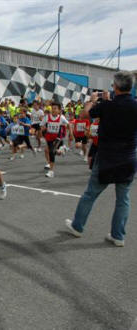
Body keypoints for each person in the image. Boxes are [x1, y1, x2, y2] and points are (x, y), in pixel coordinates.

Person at [65, 71, 137, 247]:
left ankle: (77, 226)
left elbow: (84, 114)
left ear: (116, 86)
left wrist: (93, 99)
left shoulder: (107, 106)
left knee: (90, 194)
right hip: (128, 158)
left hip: (106, 158)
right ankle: (118, 235)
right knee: (123, 198)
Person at [41, 102, 69, 178]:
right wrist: (42, 129)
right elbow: (42, 125)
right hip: (49, 137)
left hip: (57, 137)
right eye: (52, 108)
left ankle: (51, 171)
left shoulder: (61, 118)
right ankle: (62, 149)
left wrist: (71, 134)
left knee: (51, 151)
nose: (53, 110)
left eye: (55, 108)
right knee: (51, 151)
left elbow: (68, 124)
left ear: (59, 110)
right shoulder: (47, 117)